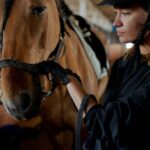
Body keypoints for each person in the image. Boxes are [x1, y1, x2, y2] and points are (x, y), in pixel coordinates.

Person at [42, 0, 150, 149]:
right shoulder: (123, 64)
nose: (116, 23)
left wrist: (70, 80)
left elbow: (105, 122)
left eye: (125, 14)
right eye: (115, 14)